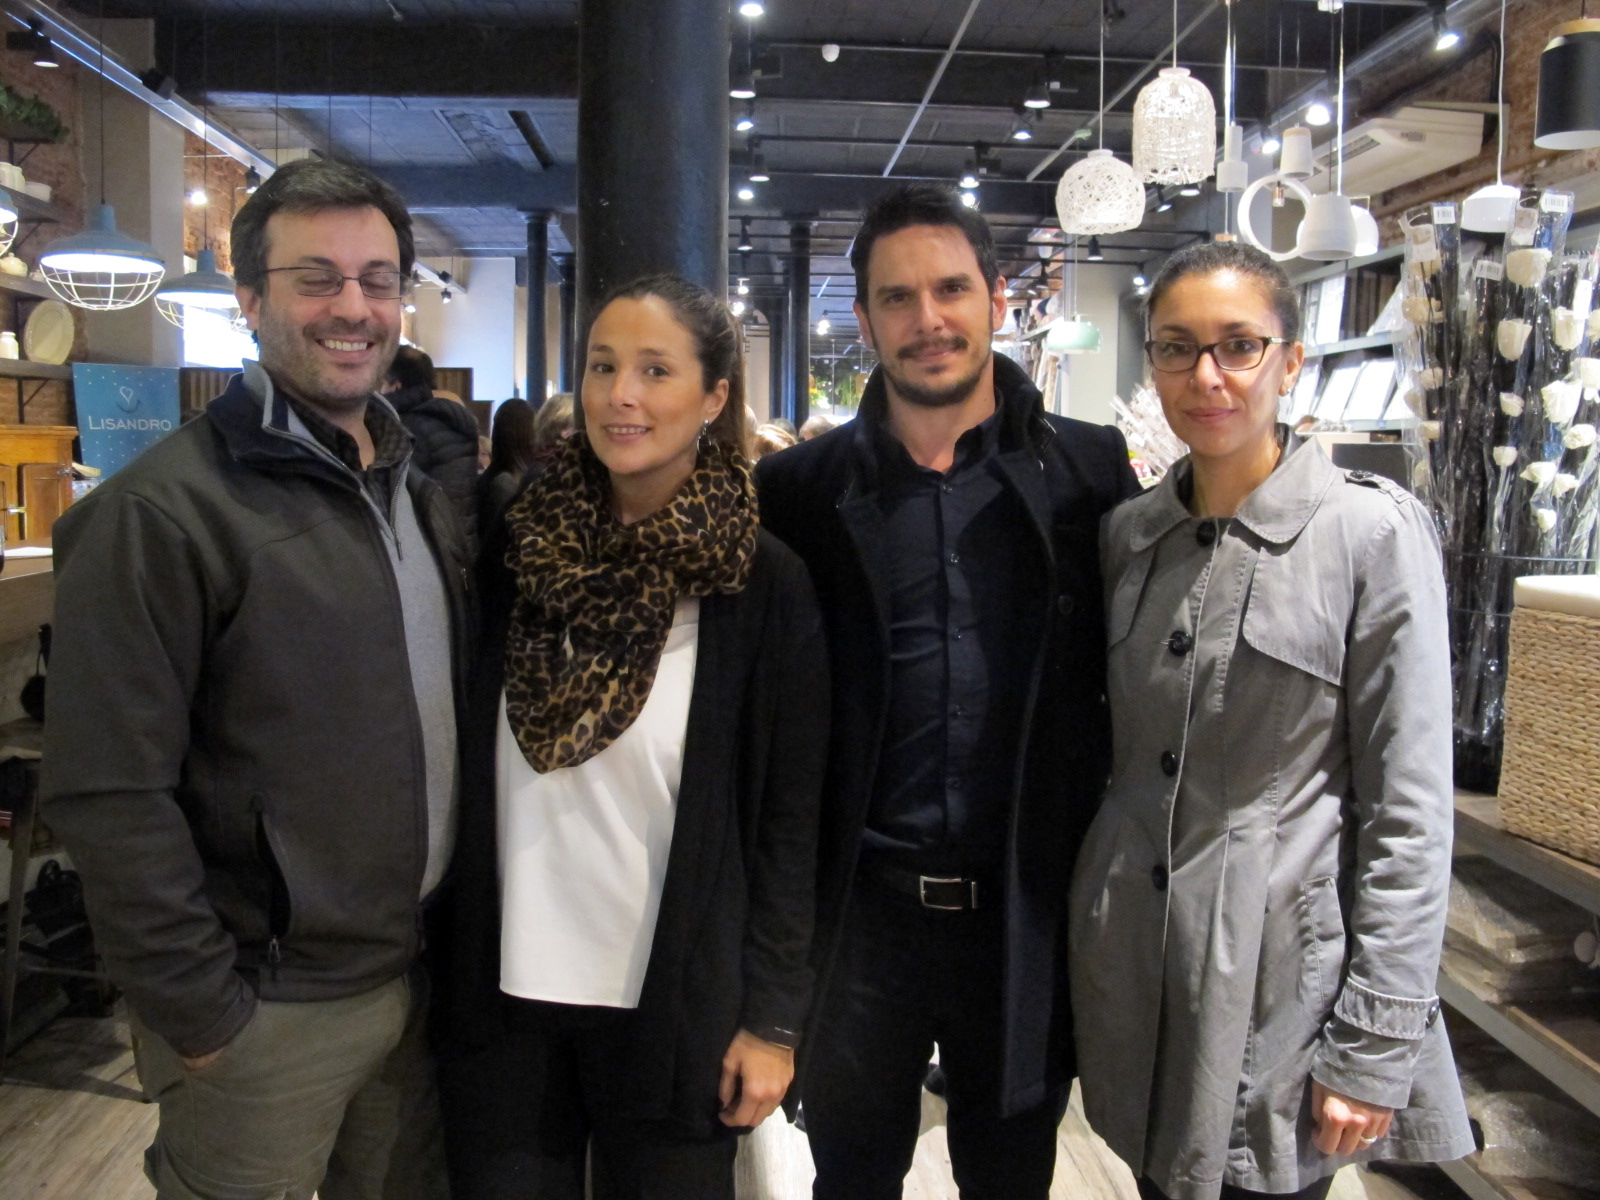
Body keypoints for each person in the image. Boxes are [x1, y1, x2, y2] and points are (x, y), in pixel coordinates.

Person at [39, 158, 467, 1200]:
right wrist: (200, 1012)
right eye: (317, 278)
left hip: (415, 986)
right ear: (248, 299)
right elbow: (108, 788)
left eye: (376, 279)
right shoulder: (159, 515)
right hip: (265, 1013)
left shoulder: (412, 488)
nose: (353, 308)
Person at [756, 183, 1140, 1199]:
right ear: (864, 316)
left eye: (950, 289)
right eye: (896, 298)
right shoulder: (798, 493)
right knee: (849, 1178)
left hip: (1019, 917)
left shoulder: (1088, 473)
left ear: (996, 296)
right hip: (859, 926)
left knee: (1011, 1178)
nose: (927, 321)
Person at [1068, 241, 1474, 1200]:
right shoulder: (1129, 535)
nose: (1206, 375)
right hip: (1136, 967)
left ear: (1291, 361)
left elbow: (1410, 814)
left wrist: (1375, 1042)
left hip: (1280, 987)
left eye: (1239, 345)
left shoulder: (1368, 534)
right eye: (1177, 348)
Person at [436, 274, 829, 1200]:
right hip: (503, 1000)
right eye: (605, 366)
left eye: (657, 370)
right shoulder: (518, 547)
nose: (623, 394)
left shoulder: (761, 583)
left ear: (714, 397)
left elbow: (789, 818)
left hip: (674, 1009)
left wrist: (774, 1022)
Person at [385, 344, 482, 549]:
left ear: (395, 385)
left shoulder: (407, 426)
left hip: (429, 544)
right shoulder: (455, 418)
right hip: (461, 540)